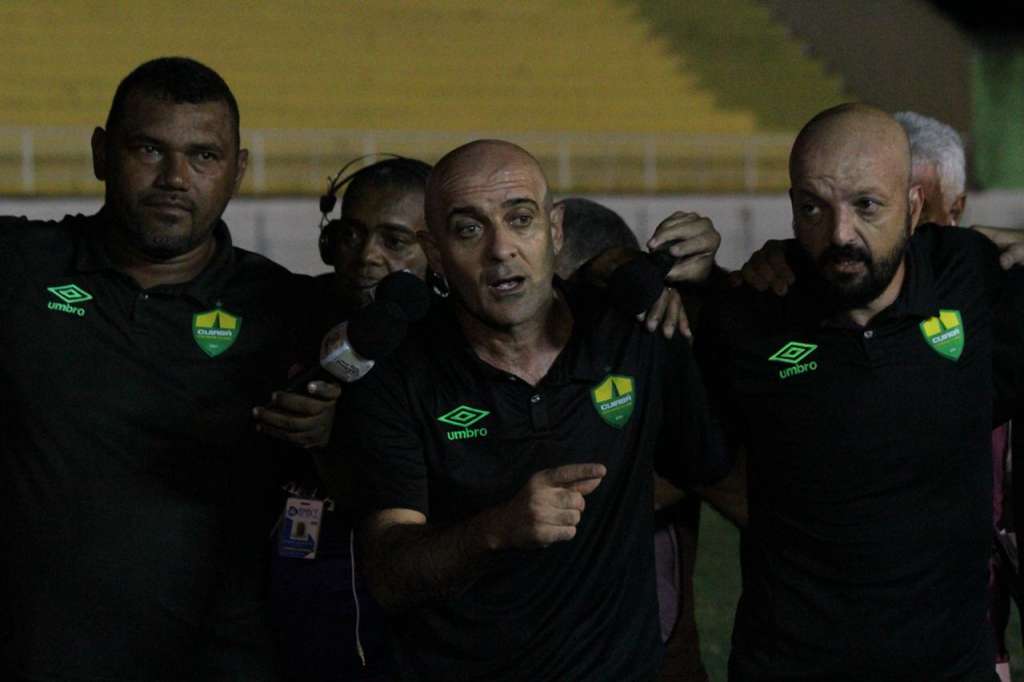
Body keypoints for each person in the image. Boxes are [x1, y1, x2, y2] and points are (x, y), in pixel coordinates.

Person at [330, 139, 729, 680]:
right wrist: (496, 528)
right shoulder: (396, 375)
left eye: (521, 219)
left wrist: (709, 282)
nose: (501, 249)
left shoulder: (635, 333)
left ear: (555, 231)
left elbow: (704, 462)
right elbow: (388, 576)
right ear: (436, 253)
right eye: (469, 229)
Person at [0, 57, 336, 681]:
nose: (175, 178)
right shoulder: (19, 267)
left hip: (219, 663)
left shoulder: (293, 308)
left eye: (204, 156)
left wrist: (336, 427)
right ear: (102, 153)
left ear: (237, 171)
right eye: (149, 149)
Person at [698, 103, 1024, 681]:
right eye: (812, 208)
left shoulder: (972, 277)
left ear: (916, 206)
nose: (839, 234)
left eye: (867, 205)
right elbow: (688, 450)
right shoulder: (748, 311)